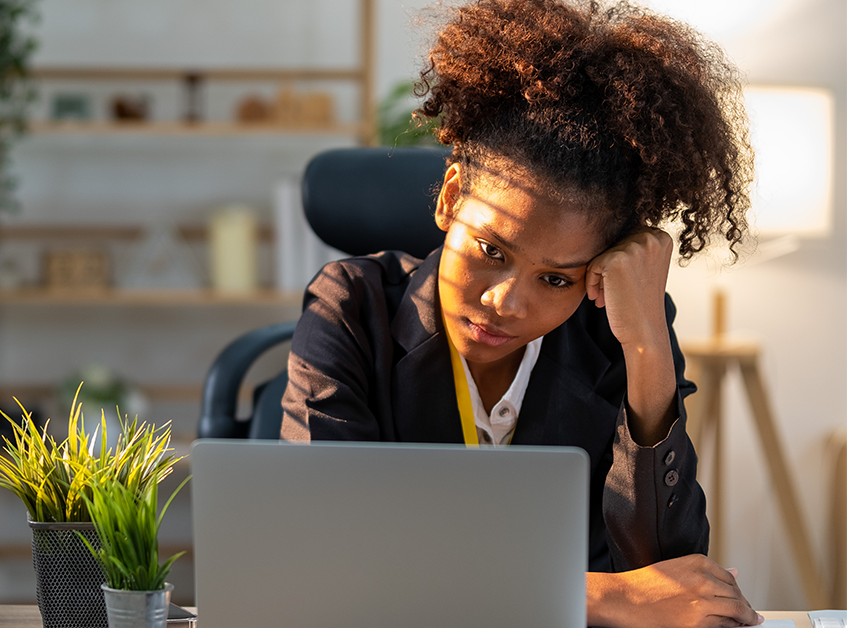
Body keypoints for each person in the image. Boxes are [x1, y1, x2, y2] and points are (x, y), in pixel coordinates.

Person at [280, 0, 759, 626]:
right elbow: (325, 557)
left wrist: (646, 348)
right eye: (490, 250)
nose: (505, 301)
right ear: (452, 198)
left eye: (556, 278)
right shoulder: (350, 306)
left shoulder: (615, 329)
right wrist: (601, 596)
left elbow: (669, 575)